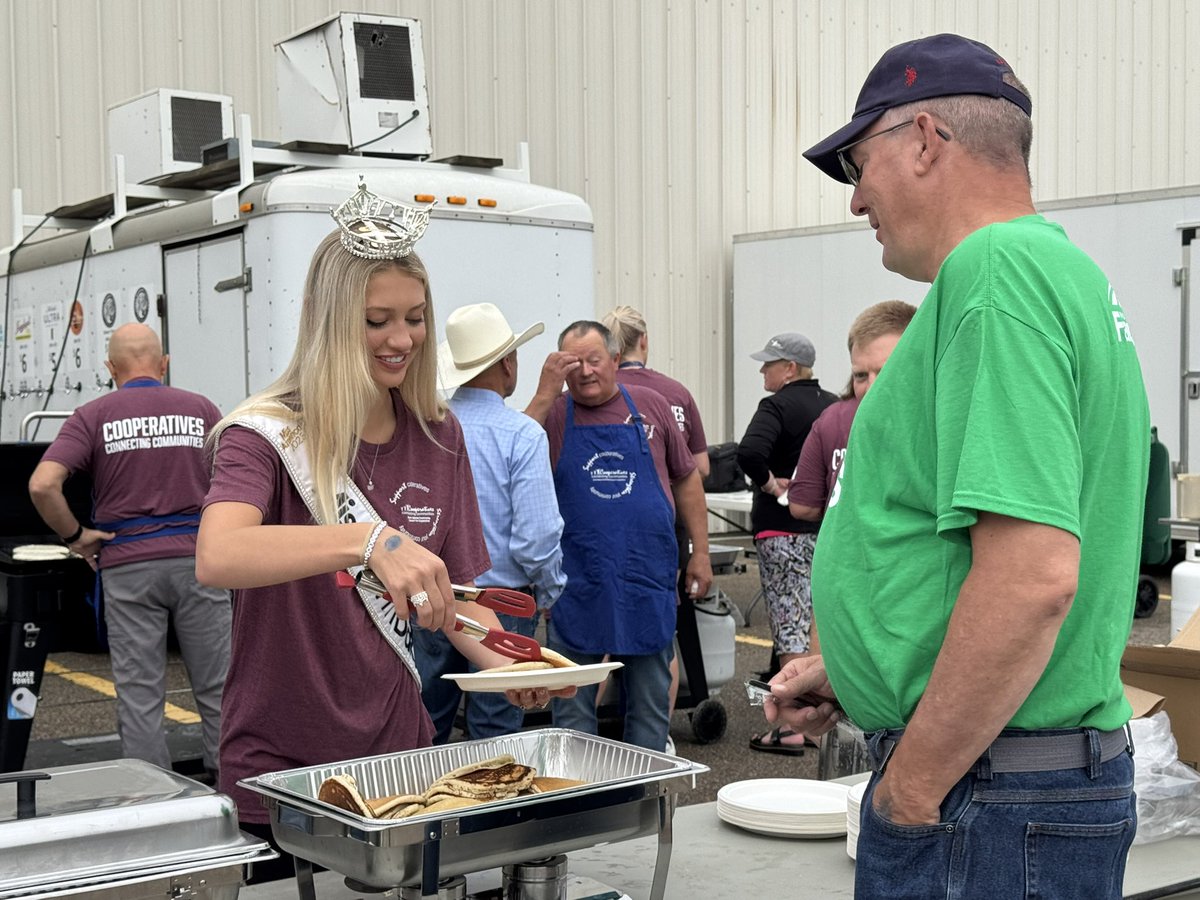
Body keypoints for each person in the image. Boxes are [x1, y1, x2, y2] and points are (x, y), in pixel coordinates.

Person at [765, 34, 1149, 899]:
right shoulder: (1064, 274)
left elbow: (1029, 580)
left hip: (988, 797)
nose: (857, 197)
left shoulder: (993, 272)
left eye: (859, 165)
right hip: (1013, 784)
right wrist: (865, 667)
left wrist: (911, 788)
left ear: (926, 140)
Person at [194, 187, 570, 877]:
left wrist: (509, 665)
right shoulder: (269, 433)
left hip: (400, 766)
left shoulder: (440, 435)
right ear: (329, 321)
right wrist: (370, 541)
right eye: (377, 321)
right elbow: (218, 553)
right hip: (281, 772)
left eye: (415, 318)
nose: (402, 340)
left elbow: (457, 594)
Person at [28, 323, 230, 779]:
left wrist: (75, 536)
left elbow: (43, 484)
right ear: (163, 365)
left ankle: (152, 798)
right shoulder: (201, 409)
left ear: (110, 368)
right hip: (199, 562)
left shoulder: (93, 414)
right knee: (218, 686)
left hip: (127, 564)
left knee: (140, 694)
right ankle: (233, 796)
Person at [527, 320, 713, 751]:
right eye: (574, 365)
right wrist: (544, 392)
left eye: (595, 360)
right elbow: (513, 451)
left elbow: (688, 481)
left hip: (645, 576)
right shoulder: (553, 415)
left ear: (615, 359)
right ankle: (577, 801)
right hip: (578, 580)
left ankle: (644, 797)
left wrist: (700, 552)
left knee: (649, 701)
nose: (586, 372)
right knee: (572, 704)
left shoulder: (652, 405)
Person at [414, 302, 567, 741]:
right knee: (497, 727)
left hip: (434, 591)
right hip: (504, 599)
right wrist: (549, 589)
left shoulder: (429, 426)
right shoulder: (521, 434)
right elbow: (536, 540)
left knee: (428, 718)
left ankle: (427, 804)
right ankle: (491, 809)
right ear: (508, 362)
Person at [602, 304, 710, 750]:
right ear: (643, 342)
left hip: (605, 532)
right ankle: (656, 737)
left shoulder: (600, 394)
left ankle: (599, 736)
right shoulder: (675, 394)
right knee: (662, 638)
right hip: (666, 535)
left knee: (600, 642)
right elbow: (698, 467)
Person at [736, 332, 836, 755]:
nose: (763, 370)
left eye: (769, 364)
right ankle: (824, 705)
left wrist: (772, 484)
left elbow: (749, 451)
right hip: (826, 531)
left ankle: (791, 721)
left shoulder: (775, 405)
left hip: (781, 529)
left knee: (788, 621)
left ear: (790, 368)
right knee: (819, 618)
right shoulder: (834, 406)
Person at [787, 300, 916, 523]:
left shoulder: (948, 430)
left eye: (886, 372)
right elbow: (800, 505)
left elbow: (804, 506)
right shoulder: (830, 421)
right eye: (861, 376)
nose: (871, 388)